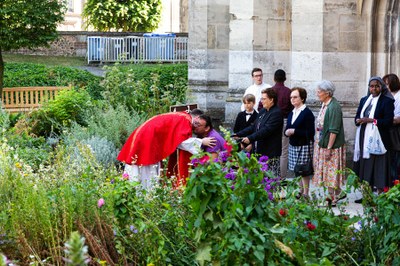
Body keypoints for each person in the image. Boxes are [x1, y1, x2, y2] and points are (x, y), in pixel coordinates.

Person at [117, 109, 216, 189]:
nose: (196, 129)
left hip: (145, 135)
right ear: (197, 117)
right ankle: (144, 198)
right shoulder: (185, 120)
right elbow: (181, 141)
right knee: (146, 170)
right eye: (198, 125)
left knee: (138, 165)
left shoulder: (182, 116)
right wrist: (201, 142)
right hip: (148, 139)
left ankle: (134, 193)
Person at [353, 77, 394, 203]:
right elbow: (357, 116)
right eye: (371, 86)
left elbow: (388, 122)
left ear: (381, 87)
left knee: (379, 167)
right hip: (363, 137)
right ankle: (367, 195)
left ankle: (381, 196)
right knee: (365, 166)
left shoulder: (386, 101)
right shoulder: (364, 100)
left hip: (378, 140)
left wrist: (371, 120)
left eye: (376, 86)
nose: (374, 89)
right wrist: (358, 120)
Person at [235, 88, 283, 177]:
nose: (261, 101)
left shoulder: (276, 113)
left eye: (264, 99)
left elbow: (266, 130)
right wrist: (239, 134)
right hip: (259, 151)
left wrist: (250, 138)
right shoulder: (263, 111)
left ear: (271, 99)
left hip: (270, 152)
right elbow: (254, 126)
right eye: (261, 99)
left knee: (271, 181)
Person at [312, 80, 346, 206]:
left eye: (319, 91)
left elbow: (334, 130)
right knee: (326, 171)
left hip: (331, 145)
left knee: (330, 173)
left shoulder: (334, 107)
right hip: (323, 142)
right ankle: (338, 193)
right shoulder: (325, 104)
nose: (317, 93)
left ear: (327, 93)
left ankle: (332, 199)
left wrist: (329, 148)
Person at [284, 87, 315, 198]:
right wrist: (286, 132)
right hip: (293, 144)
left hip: (304, 145)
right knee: (297, 171)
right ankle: (300, 191)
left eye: (295, 97)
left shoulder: (307, 113)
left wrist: (295, 131)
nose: (292, 99)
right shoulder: (291, 113)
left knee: (304, 171)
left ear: (302, 98)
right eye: (291, 97)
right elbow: (287, 127)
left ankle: (306, 193)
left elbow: (310, 132)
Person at [271, 69, 293, 180]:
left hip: (271, 121)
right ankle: (282, 177)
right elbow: (292, 108)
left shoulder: (271, 91)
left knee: (271, 148)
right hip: (284, 120)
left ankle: (272, 175)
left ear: (274, 78)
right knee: (284, 151)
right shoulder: (288, 92)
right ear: (285, 78)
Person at [383, 73, 400, 185]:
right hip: (389, 131)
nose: (385, 86)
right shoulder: (389, 96)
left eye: (387, 84)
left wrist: (385, 119)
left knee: (396, 160)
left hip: (396, 132)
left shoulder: (398, 96)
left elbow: (398, 117)